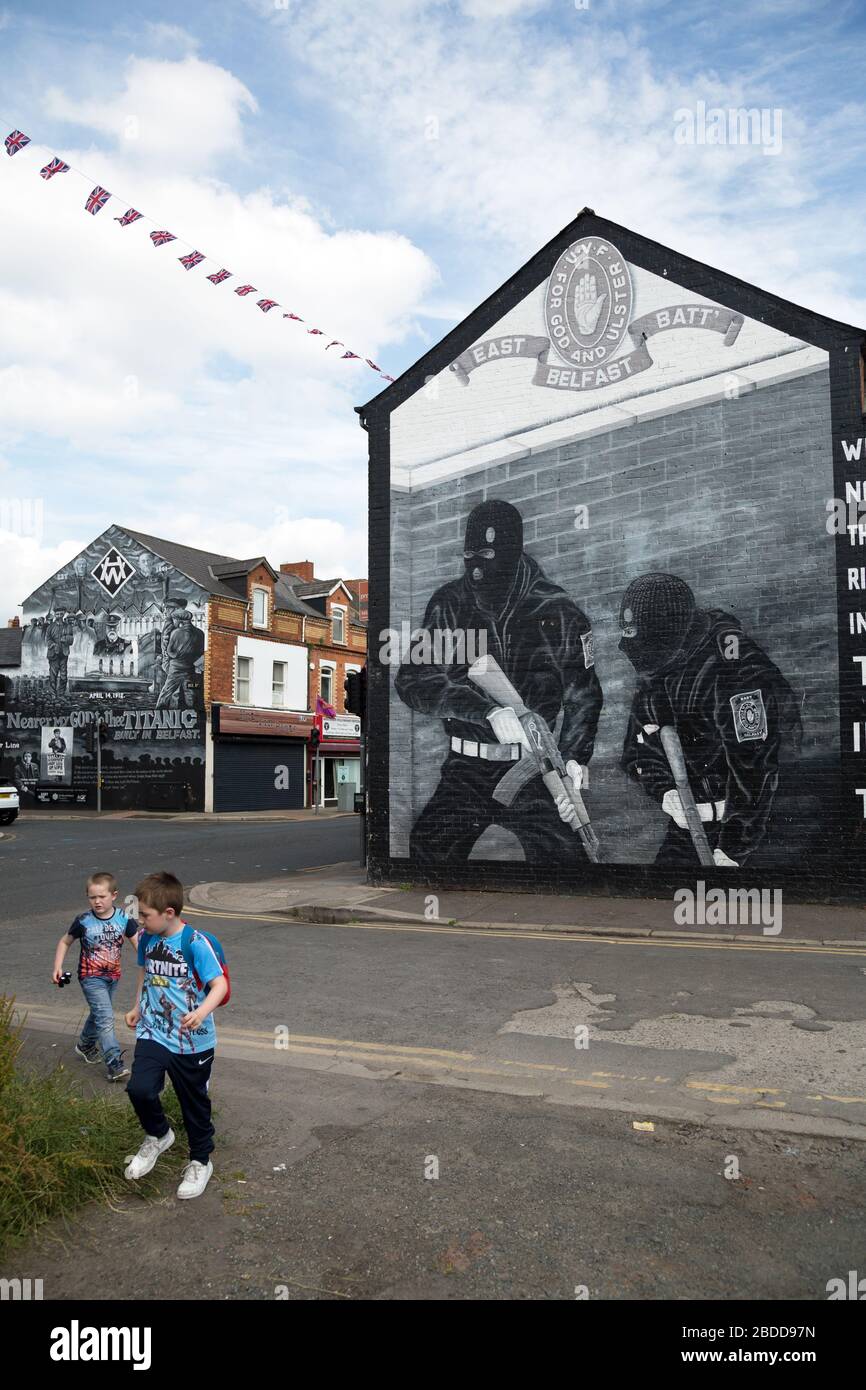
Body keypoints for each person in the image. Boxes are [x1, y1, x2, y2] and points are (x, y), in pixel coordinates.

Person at [395, 498, 603, 864]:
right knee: (427, 851)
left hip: (534, 768)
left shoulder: (557, 610)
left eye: (487, 553)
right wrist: (487, 712)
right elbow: (414, 679)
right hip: (465, 769)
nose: (475, 567)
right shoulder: (450, 604)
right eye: (469, 554)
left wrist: (573, 759)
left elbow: (583, 694)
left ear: (512, 550)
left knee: (568, 859)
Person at [618, 572, 800, 866]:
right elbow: (636, 747)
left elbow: (755, 766)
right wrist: (665, 792)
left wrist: (733, 848)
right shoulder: (659, 665)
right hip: (692, 823)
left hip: (753, 827)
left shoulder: (734, 669)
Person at [123, 871, 227, 1199]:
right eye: (138, 914)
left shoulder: (195, 943)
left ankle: (200, 1160)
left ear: (169, 913)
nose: (140, 921)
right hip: (154, 1030)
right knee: (140, 1088)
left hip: (192, 1040)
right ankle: (158, 1135)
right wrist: (138, 1005)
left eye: (145, 915)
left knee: (193, 1104)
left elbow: (219, 985)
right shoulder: (149, 940)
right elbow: (145, 972)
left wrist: (201, 1012)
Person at [52, 872, 139, 1082]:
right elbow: (65, 941)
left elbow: (139, 944)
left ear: (114, 895)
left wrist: (151, 964)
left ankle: (85, 1045)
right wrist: (58, 966)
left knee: (99, 1013)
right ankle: (114, 1064)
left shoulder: (124, 919)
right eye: (93, 897)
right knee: (106, 1017)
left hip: (113, 976)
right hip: (90, 977)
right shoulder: (83, 921)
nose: (97, 901)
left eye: (102, 896)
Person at [155, 610, 204, 709]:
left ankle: (157, 713)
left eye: (174, 620)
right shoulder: (200, 633)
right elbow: (200, 652)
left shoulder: (176, 632)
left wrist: (175, 655)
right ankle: (194, 717)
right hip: (190, 668)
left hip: (176, 668)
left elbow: (170, 651)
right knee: (190, 694)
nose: (174, 623)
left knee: (166, 693)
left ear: (180, 620)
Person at [45, 608, 74, 697]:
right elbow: (47, 639)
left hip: (64, 654)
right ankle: (53, 694)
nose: (59, 616)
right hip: (53, 654)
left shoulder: (68, 626)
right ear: (55, 615)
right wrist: (53, 644)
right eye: (57, 614)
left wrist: (65, 639)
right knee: (53, 676)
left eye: (61, 614)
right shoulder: (50, 627)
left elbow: (71, 640)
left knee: (63, 676)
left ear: (64, 614)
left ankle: (61, 694)